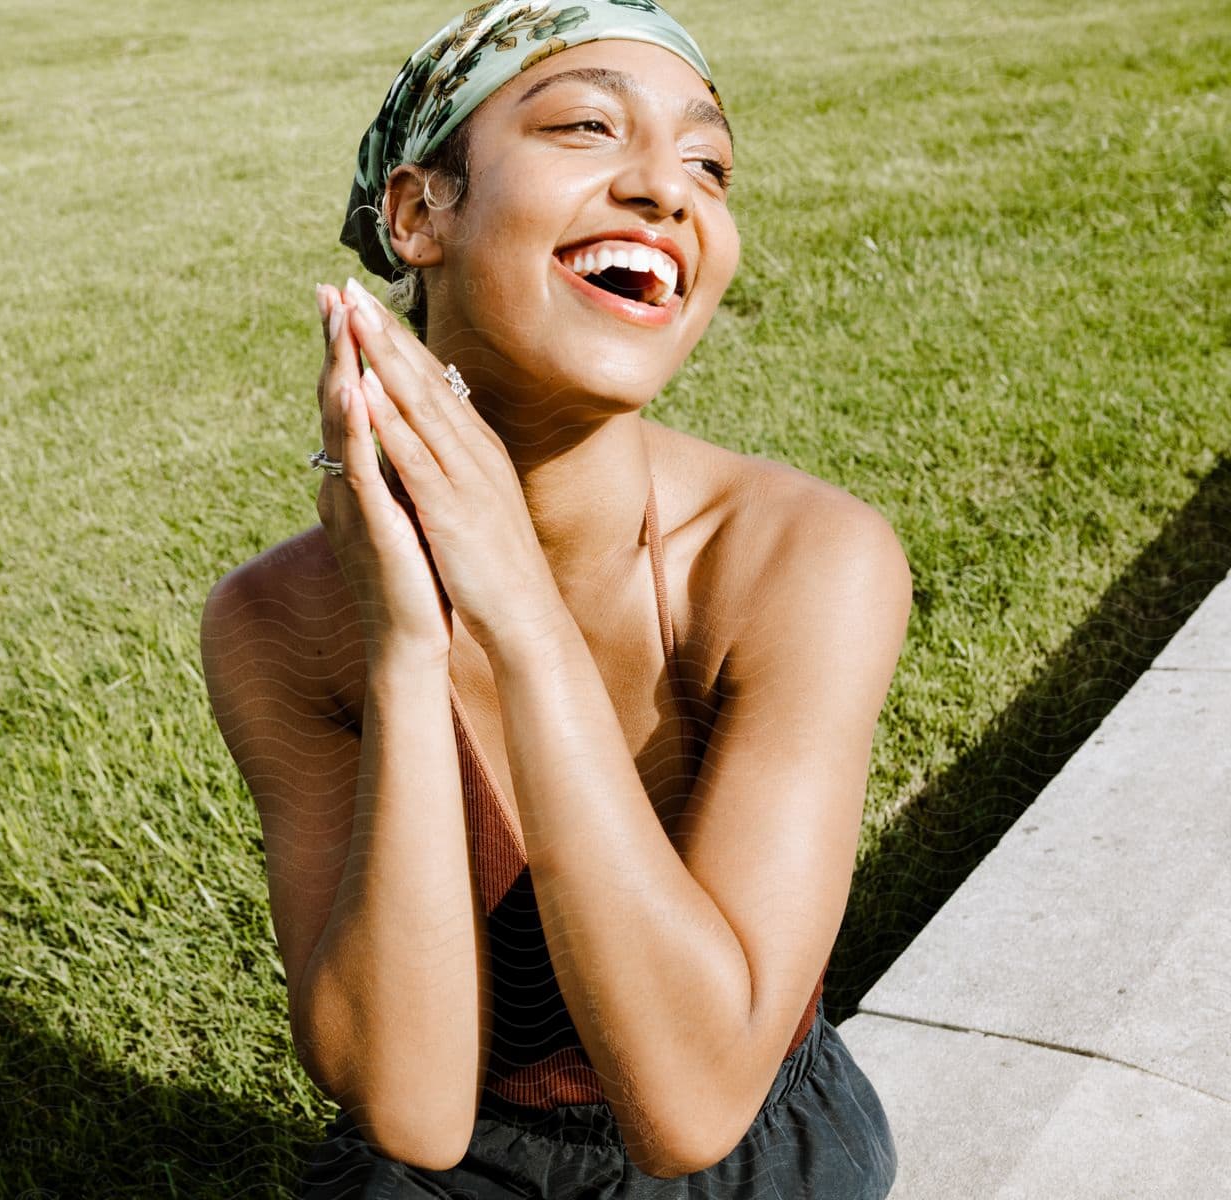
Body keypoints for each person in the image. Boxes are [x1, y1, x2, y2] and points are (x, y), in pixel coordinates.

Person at [199, 2, 911, 1194]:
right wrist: (404, 649)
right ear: (420, 212)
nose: (668, 191)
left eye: (708, 164)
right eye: (587, 126)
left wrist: (523, 623)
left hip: (748, 1149)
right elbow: (411, 1112)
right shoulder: (277, 623)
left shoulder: (801, 559)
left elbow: (694, 1107)